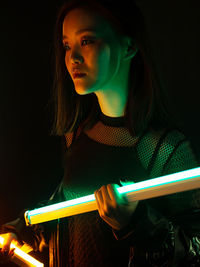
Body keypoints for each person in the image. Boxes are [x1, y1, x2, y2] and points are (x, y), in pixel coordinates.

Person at [0, 0, 200, 266]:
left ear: (129, 46)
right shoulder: (77, 134)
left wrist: (138, 223)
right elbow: (67, 210)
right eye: (67, 45)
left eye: (87, 41)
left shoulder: (165, 149)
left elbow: (196, 250)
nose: (72, 57)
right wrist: (23, 226)